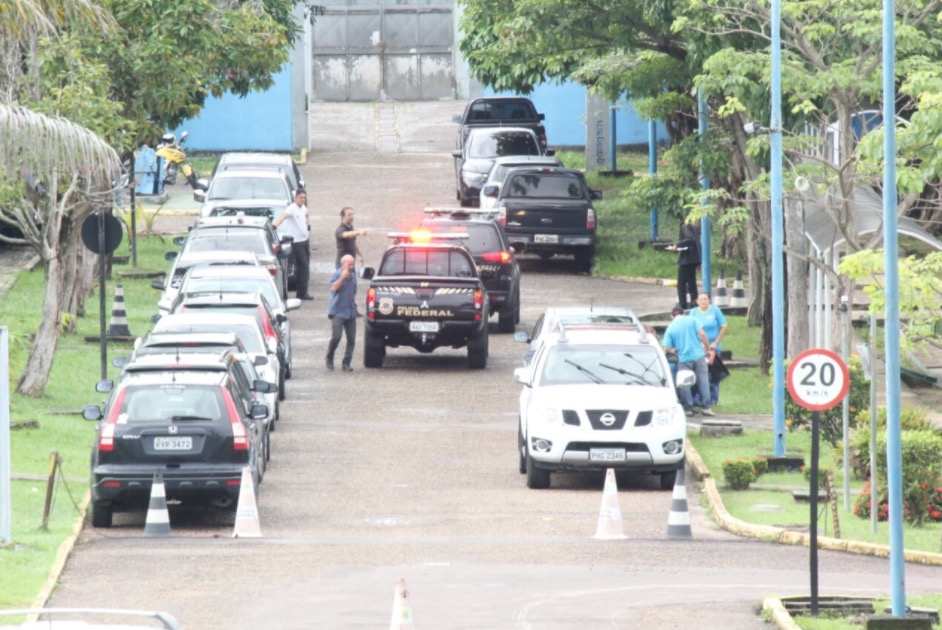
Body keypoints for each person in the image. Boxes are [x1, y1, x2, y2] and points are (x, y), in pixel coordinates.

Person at [661, 303, 714, 417]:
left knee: (685, 383)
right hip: (699, 355)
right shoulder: (693, 320)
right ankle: (706, 407)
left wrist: (674, 350)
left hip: (684, 358)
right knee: (703, 381)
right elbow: (703, 335)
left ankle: (688, 408)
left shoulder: (671, 327)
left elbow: (666, 348)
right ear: (683, 313)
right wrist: (708, 349)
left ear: (672, 316)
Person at [690, 292, 729, 407]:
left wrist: (716, 342)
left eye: (705, 299)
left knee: (713, 373)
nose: (703, 301)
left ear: (709, 300)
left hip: (713, 348)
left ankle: (713, 398)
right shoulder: (694, 312)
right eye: (701, 299)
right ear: (697, 301)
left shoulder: (715, 310)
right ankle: (698, 397)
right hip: (698, 348)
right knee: (698, 373)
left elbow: (724, 326)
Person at [273, 189, 312, 300]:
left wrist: (308, 224)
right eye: (301, 197)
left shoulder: (303, 208)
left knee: (305, 266)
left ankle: (303, 291)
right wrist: (275, 225)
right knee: (302, 265)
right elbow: (283, 216)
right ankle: (301, 292)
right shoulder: (292, 208)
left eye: (304, 198)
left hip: (305, 240)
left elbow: (306, 214)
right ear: (295, 198)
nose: (303, 199)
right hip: (296, 242)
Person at [326, 254, 358, 372]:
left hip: (350, 311)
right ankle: (329, 356)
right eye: (349, 264)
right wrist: (342, 278)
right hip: (338, 311)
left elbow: (353, 292)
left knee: (352, 339)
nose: (352, 266)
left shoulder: (353, 276)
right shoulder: (336, 274)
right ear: (343, 264)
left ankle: (346, 362)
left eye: (353, 264)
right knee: (337, 336)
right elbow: (334, 288)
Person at [667, 217, 701, 310]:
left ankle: (682, 305)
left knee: (681, 284)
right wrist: (699, 260)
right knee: (692, 283)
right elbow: (698, 242)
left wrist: (677, 245)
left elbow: (689, 240)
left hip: (687, 260)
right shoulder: (694, 226)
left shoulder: (684, 226)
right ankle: (694, 304)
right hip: (694, 259)